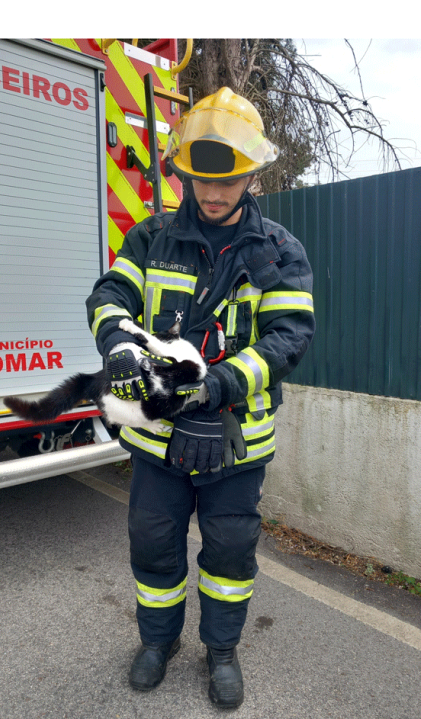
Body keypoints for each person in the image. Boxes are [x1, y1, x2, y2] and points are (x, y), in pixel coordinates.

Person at [86, 87, 315, 708]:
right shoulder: (150, 238)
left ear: (251, 173)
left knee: (230, 551)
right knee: (153, 539)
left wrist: (216, 387)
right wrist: (119, 345)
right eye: (200, 181)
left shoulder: (281, 253)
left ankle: (221, 651)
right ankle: (157, 643)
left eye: (229, 182)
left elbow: (289, 337)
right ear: (183, 170)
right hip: (158, 440)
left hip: (238, 443)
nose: (213, 196)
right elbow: (109, 295)